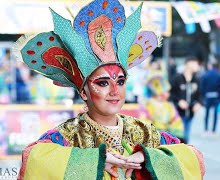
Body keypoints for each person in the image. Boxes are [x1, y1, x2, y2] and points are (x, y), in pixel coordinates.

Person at [14, 0, 205, 179]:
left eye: (120, 81)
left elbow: (193, 158)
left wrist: (148, 157)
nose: (115, 91)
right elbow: (32, 161)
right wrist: (94, 161)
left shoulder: (145, 133)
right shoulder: (66, 136)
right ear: (83, 92)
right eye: (103, 83)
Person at [169, 56, 203, 143]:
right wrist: (178, 101)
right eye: (196, 64)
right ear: (189, 64)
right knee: (179, 136)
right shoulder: (177, 78)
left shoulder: (197, 79)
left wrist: (199, 103)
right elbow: (170, 94)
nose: (197, 66)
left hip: (190, 113)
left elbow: (200, 95)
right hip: (178, 114)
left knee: (186, 136)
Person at [200, 61, 220, 136]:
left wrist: (203, 96)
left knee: (207, 114)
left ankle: (206, 129)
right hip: (216, 96)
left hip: (207, 96)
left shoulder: (206, 75)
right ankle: (213, 131)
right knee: (215, 114)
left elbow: (202, 87)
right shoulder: (219, 75)